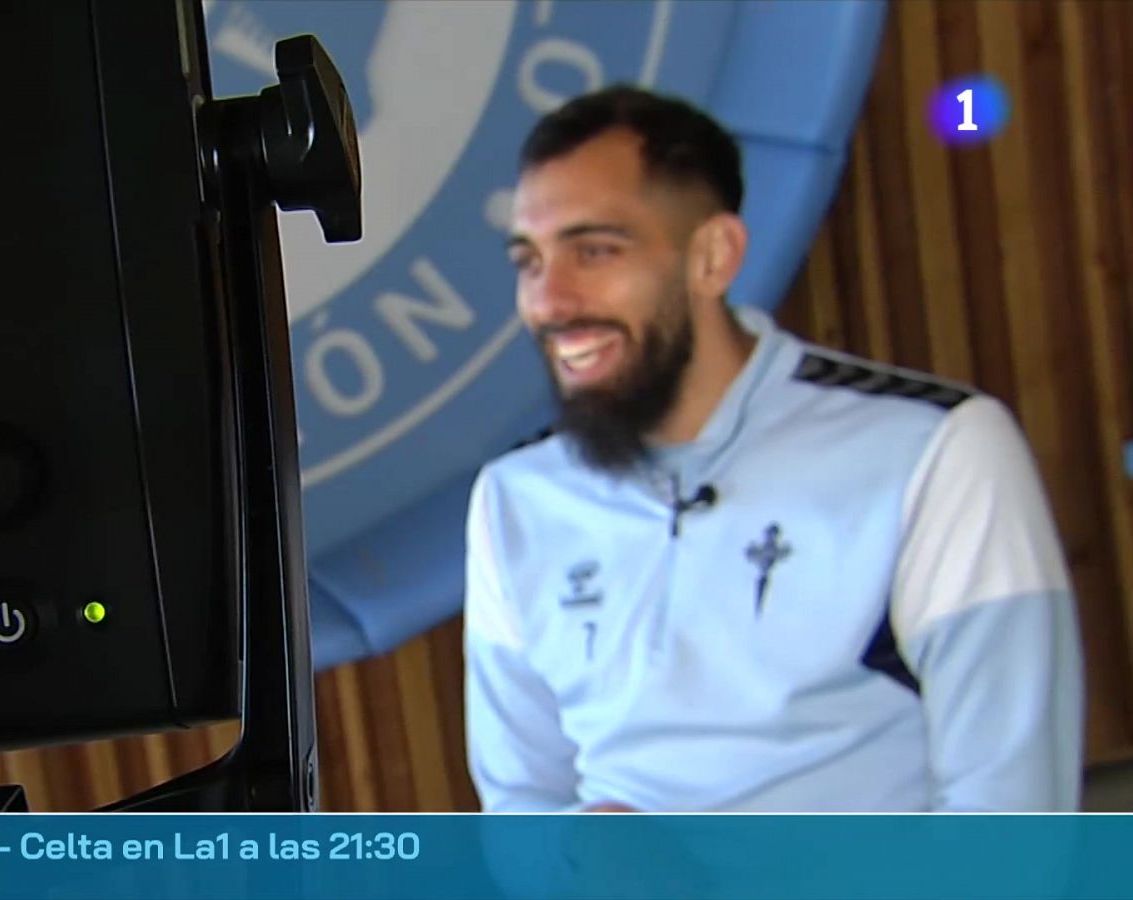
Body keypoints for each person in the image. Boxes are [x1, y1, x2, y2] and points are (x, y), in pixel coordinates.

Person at [462, 84, 1086, 812]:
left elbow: (1013, 823)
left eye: (594, 251)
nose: (549, 302)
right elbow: (522, 809)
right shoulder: (514, 498)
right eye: (529, 262)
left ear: (713, 257)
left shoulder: (936, 447)